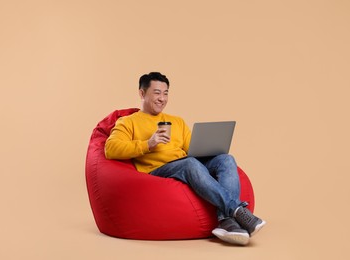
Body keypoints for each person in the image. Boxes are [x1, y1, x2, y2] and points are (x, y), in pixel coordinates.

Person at [105, 72, 266, 245]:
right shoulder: (128, 122)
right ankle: (237, 210)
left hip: (186, 163)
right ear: (142, 93)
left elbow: (192, 150)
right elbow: (110, 149)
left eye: (166, 93)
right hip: (159, 169)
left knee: (226, 159)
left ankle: (227, 221)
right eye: (157, 92)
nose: (162, 98)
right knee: (189, 164)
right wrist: (148, 144)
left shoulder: (177, 121)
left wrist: (209, 149)